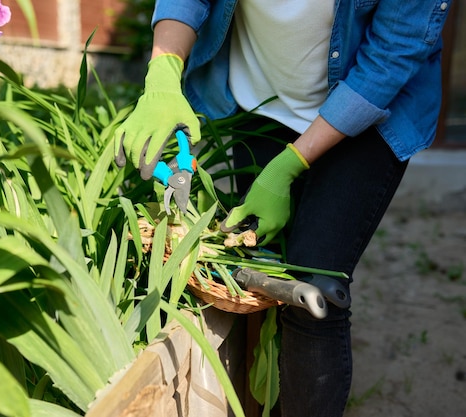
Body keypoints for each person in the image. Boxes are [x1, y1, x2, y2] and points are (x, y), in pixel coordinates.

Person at [113, 1, 453, 416]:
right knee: (260, 266)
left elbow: (391, 55)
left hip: (369, 114)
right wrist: (163, 73)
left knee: (314, 290)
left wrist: (291, 164)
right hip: (262, 101)